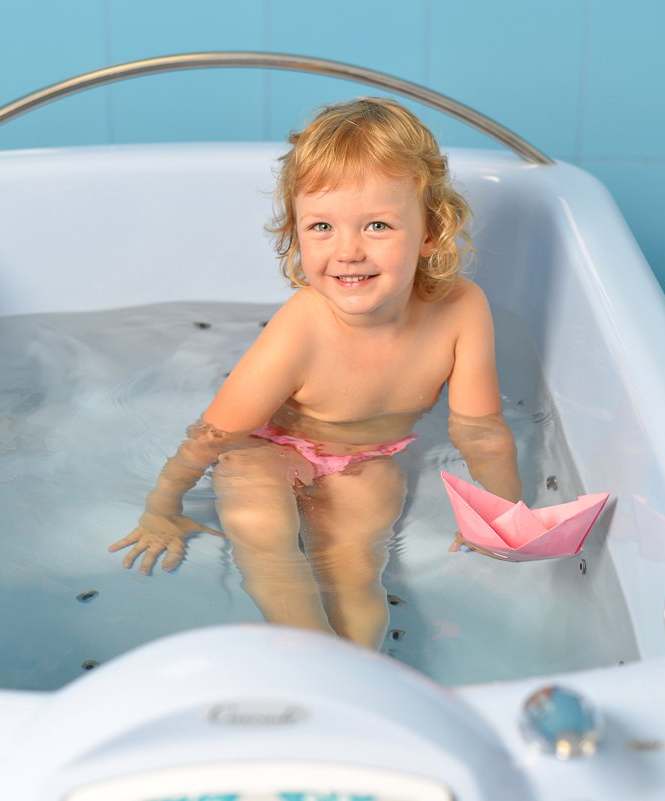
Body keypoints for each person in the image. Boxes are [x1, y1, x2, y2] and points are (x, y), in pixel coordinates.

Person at [109, 97, 521, 649]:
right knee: (263, 532)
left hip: (368, 457)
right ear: (296, 234)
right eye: (322, 226)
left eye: (377, 225)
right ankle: (308, 654)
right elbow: (216, 432)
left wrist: (504, 515)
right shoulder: (303, 326)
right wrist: (162, 505)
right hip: (267, 448)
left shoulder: (461, 309)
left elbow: (480, 429)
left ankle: (358, 672)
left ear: (431, 230)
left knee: (355, 568)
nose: (347, 251)